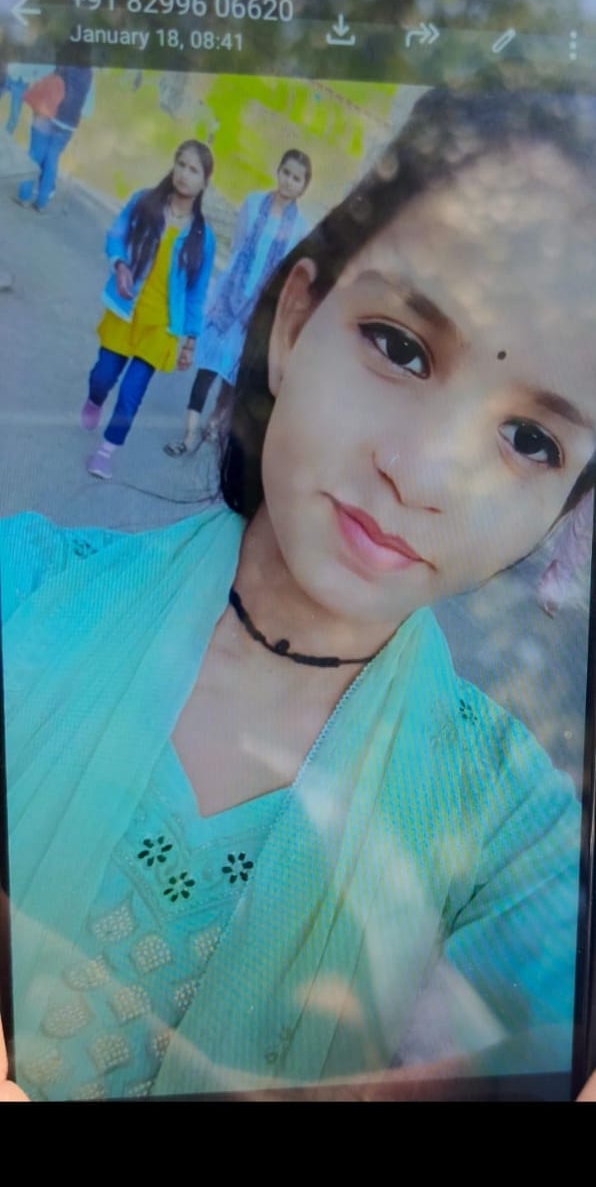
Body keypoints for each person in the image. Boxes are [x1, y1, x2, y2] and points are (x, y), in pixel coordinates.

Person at [1, 82, 595, 1102]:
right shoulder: (23, 593)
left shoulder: (518, 834)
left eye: (529, 440)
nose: (420, 472)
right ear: (295, 321)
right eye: (399, 346)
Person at [81, 140, 215, 480]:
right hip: (126, 309)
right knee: (102, 377)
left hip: (161, 326)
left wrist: (190, 340)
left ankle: (107, 451)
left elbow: (197, 292)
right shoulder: (145, 202)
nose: (184, 174)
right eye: (181, 165)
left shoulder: (203, 237)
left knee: (131, 394)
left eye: (194, 170)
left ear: (204, 182)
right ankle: (95, 399)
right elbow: (116, 235)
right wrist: (120, 264)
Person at [164, 149, 311, 457]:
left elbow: (287, 274)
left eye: (296, 178)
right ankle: (188, 437)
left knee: (233, 378)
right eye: (286, 173)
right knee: (207, 369)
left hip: (257, 313)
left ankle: (215, 424)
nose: (288, 181)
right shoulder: (254, 203)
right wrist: (224, 295)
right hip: (229, 300)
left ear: (303, 187)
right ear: (278, 172)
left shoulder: (300, 228)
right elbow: (237, 248)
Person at [15, 63, 93, 212]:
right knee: (52, 160)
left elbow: (40, 78)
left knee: (35, 155)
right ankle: (41, 203)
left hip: (47, 115)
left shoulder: (62, 63)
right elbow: (88, 109)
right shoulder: (89, 74)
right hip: (68, 124)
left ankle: (24, 196)